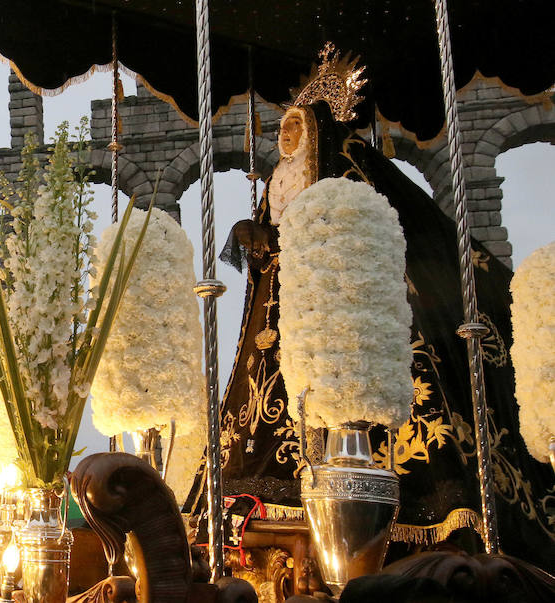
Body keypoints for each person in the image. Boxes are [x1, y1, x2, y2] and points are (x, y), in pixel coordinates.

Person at [205, 46, 554, 570]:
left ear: (320, 128)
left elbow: (361, 236)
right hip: (287, 321)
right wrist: (257, 240)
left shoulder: (349, 170)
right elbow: (274, 247)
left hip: (345, 311)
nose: (286, 137)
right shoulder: (282, 180)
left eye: (298, 127)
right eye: (285, 128)